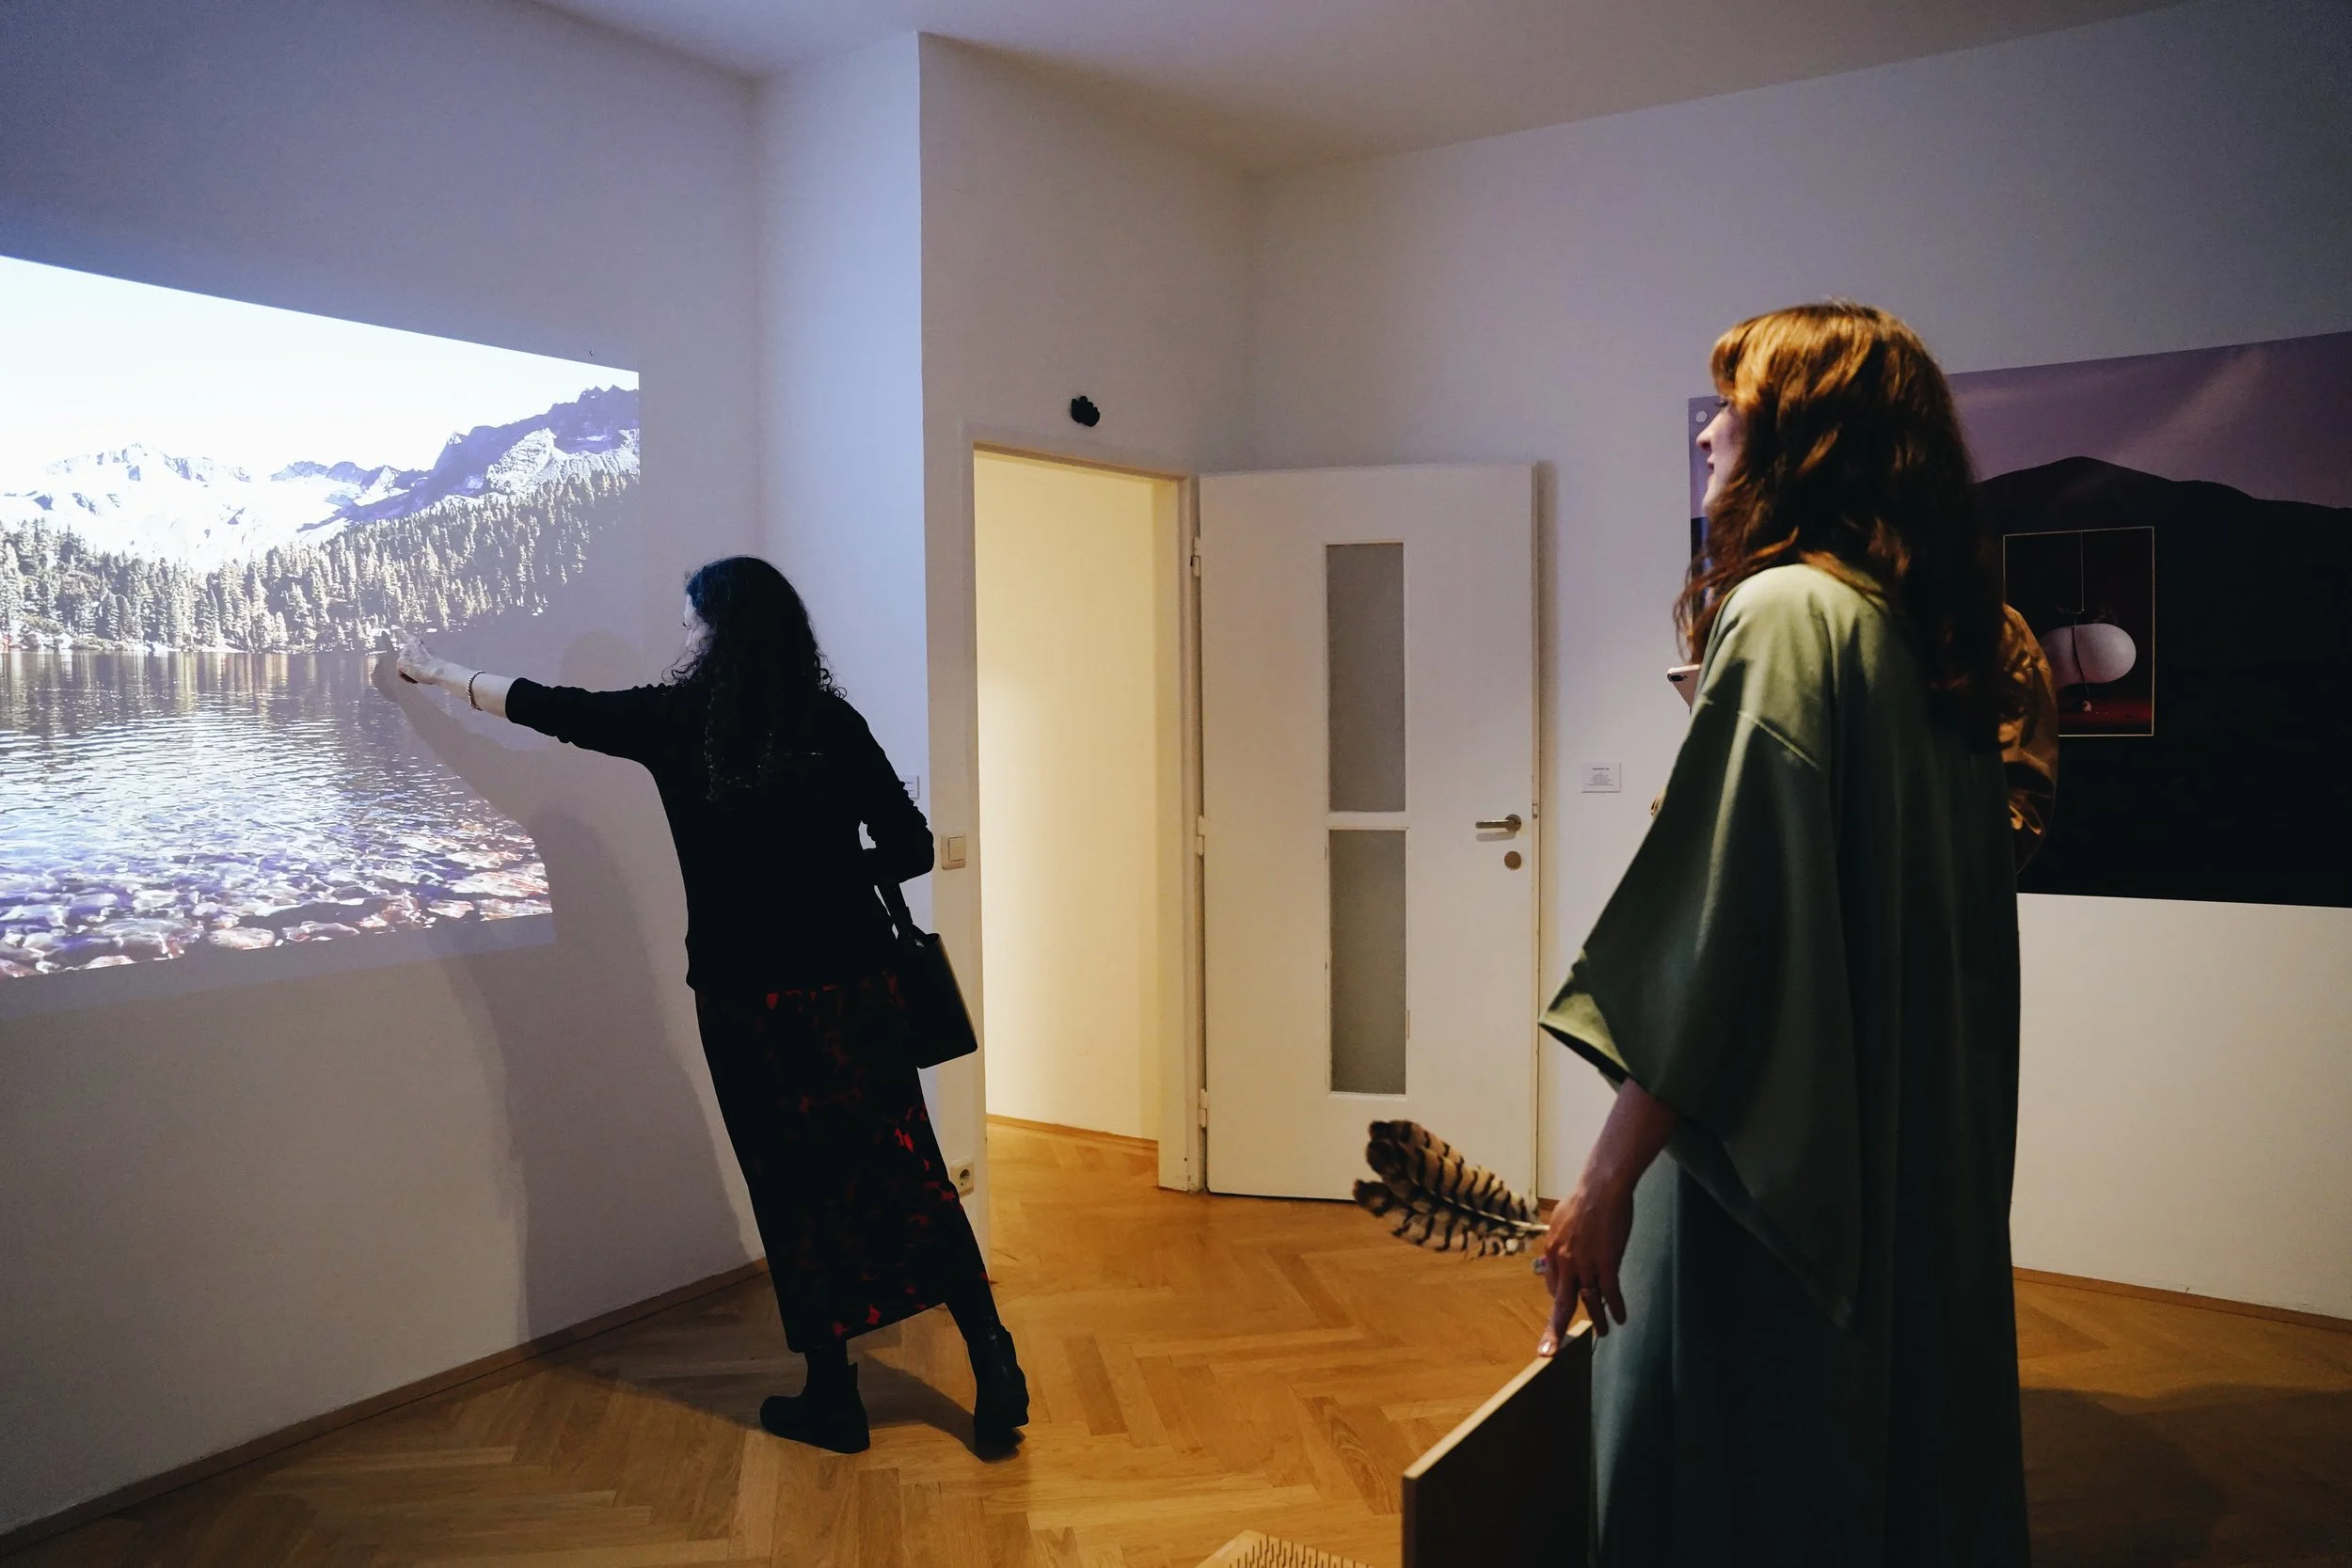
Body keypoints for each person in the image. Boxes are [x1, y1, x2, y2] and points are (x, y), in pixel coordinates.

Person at [1534, 304, 2032, 1564]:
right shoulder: (1934, 637)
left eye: (1736, 403)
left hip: (1776, 1166)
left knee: (1727, 1463)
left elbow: (1722, 939)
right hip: (1904, 1147)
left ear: (1808, 435)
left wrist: (1602, 1183)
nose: (1709, 429)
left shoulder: (1788, 616)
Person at [393, 556, 1025, 1456]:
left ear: (722, 630)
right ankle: (994, 1357)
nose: (686, 636)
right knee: (910, 1169)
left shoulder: (678, 720)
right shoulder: (830, 722)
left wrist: (441, 677)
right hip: (854, 992)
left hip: (749, 1005)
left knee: (792, 1189)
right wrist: (834, 877)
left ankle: (834, 1396)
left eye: (694, 621)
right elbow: (912, 846)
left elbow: (550, 705)